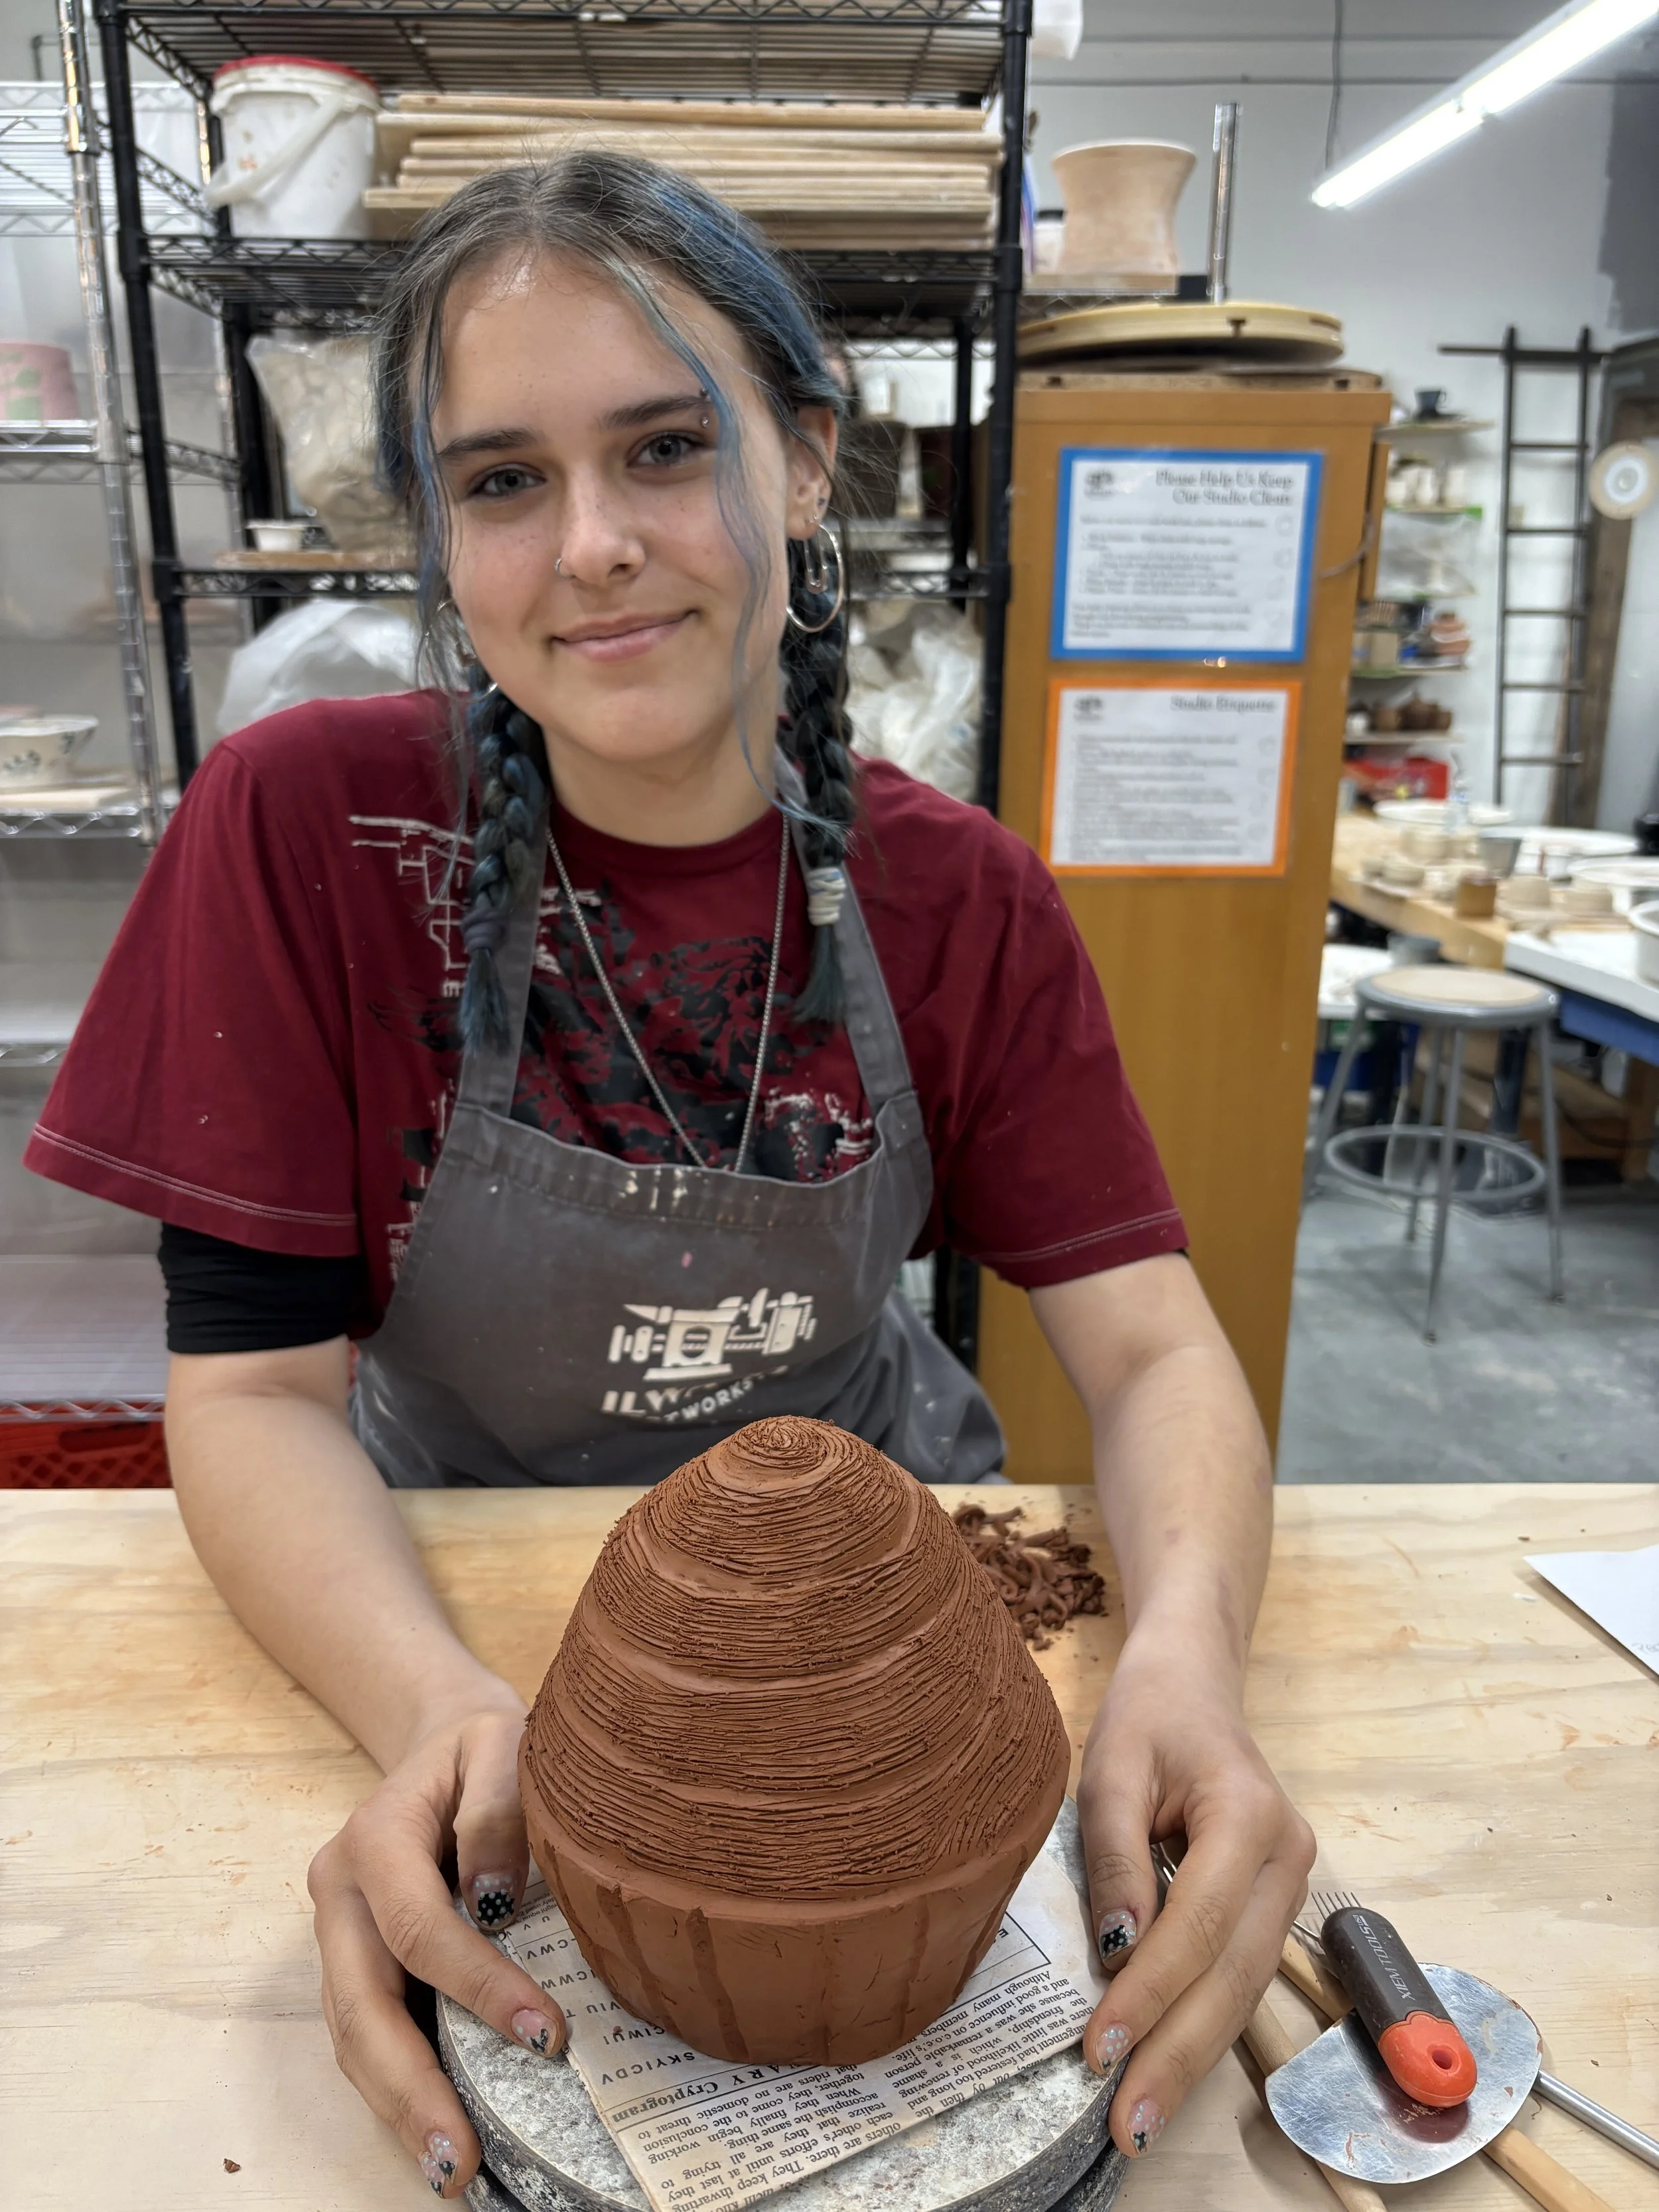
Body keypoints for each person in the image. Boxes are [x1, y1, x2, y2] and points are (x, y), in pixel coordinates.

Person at [27, 154, 1312, 2199]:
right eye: (504, 481)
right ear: (442, 539)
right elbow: (256, 1394)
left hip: (882, 1609)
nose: (596, 548)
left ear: (807, 464)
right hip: (450, 1565)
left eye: (660, 448)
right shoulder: (313, 832)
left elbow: (1154, 1351)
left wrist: (1183, 1658)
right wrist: (432, 1704)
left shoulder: (950, 894)